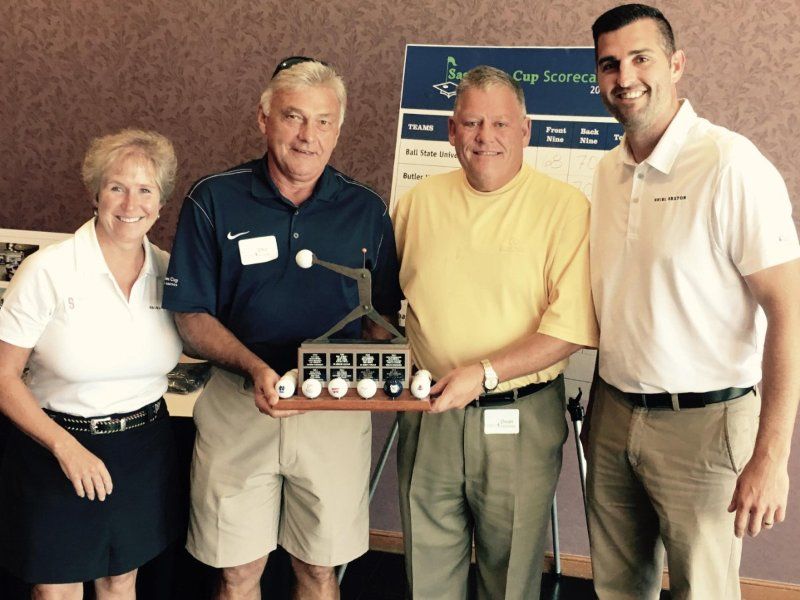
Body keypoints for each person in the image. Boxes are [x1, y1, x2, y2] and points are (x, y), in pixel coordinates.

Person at [162, 57, 401, 600]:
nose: (307, 136)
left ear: (338, 129)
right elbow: (191, 315)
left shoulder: (366, 210)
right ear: (263, 119)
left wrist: (376, 371)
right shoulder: (214, 199)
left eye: (323, 121)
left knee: (318, 570)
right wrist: (254, 367)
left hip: (333, 412)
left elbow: (381, 320)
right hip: (238, 406)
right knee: (237, 572)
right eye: (293, 117)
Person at [585, 4, 800, 599]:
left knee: (702, 590)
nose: (625, 77)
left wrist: (771, 457)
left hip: (705, 427)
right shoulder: (606, 171)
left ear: (676, 64)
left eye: (641, 58)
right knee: (616, 589)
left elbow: (789, 311)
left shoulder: (731, 164)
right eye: (609, 64)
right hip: (613, 417)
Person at [393, 65, 598, 599]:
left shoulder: (565, 208)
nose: (486, 137)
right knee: (426, 574)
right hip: (429, 413)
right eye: (472, 123)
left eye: (501, 123)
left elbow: (570, 330)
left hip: (520, 417)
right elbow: (384, 307)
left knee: (509, 579)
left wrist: (482, 373)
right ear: (451, 130)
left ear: (525, 130)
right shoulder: (416, 203)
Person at [0, 129, 183, 598]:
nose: (131, 203)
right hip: (57, 447)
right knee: (57, 589)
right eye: (117, 187)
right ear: (96, 194)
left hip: (143, 451)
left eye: (145, 190)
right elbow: (2, 377)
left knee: (121, 581)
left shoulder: (170, 271)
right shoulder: (47, 270)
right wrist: (65, 447)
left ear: (161, 202)